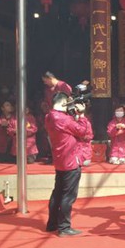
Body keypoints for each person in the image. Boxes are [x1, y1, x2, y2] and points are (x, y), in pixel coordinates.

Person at [45, 92, 93, 237]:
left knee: (57, 193)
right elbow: (82, 131)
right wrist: (82, 116)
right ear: (63, 103)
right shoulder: (63, 119)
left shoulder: (49, 116)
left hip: (60, 160)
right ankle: (64, 227)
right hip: (70, 160)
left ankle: (52, 223)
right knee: (68, 195)